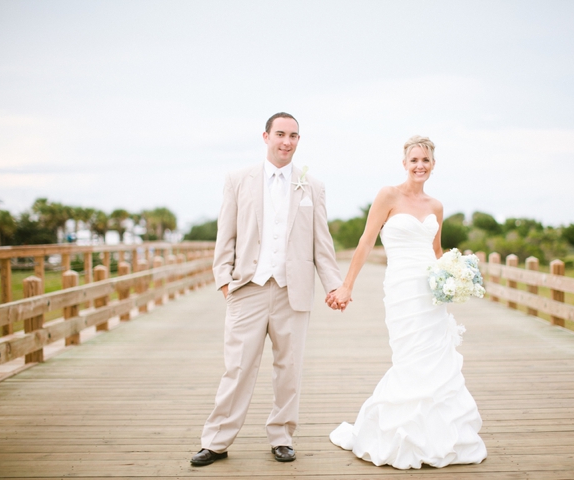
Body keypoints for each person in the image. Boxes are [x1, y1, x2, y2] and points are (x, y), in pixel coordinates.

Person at [326, 135, 487, 469]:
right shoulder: (388, 195)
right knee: (410, 356)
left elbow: (437, 252)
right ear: (404, 164)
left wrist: (456, 278)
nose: (419, 165)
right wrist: (346, 286)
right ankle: (400, 433)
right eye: (414, 160)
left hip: (430, 291)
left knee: (436, 359)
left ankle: (438, 437)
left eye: (425, 160)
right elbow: (366, 242)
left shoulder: (436, 206)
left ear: (433, 165)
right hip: (401, 289)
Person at [191, 112, 343, 466]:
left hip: (294, 291)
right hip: (248, 288)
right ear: (266, 137)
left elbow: (323, 243)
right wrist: (224, 280)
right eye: (280, 134)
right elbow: (225, 233)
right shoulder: (238, 179)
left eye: (293, 136)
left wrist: (335, 285)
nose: (286, 141)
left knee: (289, 368)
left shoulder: (313, 186)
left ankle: (281, 435)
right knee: (238, 367)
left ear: (298, 140)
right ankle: (216, 441)